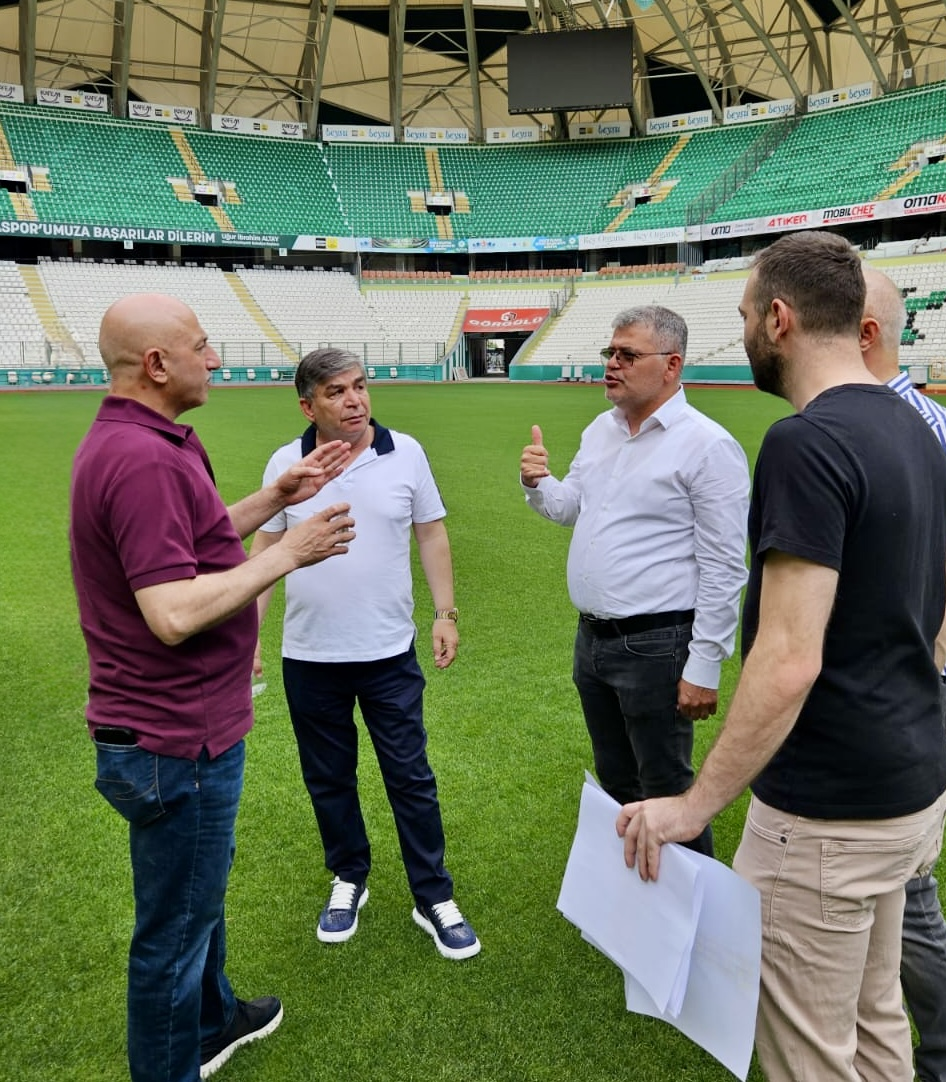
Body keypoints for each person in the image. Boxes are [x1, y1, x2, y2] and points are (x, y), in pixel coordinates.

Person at [617, 233, 946, 1082]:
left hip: (825, 818)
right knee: (876, 1025)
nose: (742, 333)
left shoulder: (805, 443)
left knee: (810, 1057)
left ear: (779, 318)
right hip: (909, 789)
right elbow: (945, 613)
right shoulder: (919, 429)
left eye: (745, 315)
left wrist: (693, 805)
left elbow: (788, 656)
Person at [69, 294, 356, 1082]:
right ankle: (177, 1057)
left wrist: (274, 500)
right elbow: (171, 611)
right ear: (157, 364)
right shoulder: (142, 458)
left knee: (198, 893)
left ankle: (212, 1018)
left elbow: (182, 546)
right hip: (174, 738)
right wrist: (287, 551)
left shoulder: (145, 440)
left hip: (175, 730)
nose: (216, 359)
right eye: (201, 346)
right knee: (174, 932)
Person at [249, 348, 479, 960]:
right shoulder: (287, 464)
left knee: (410, 776)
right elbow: (264, 555)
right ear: (308, 407)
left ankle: (433, 894)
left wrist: (445, 613)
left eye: (359, 386)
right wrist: (248, 636)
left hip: (388, 653)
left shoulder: (406, 453)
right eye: (336, 392)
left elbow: (430, 531)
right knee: (329, 779)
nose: (354, 400)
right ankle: (349, 876)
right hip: (309, 656)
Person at [520, 304, 749, 857]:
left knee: (667, 791)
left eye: (627, 355)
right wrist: (537, 482)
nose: (611, 364)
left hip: (657, 645)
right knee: (617, 781)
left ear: (671, 366)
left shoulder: (708, 446)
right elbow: (571, 507)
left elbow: (724, 567)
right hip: (592, 641)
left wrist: (704, 666)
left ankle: (692, 904)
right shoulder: (601, 430)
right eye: (610, 352)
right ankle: (635, 895)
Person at [861, 266, 946, 1082]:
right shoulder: (826, 422)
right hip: (846, 684)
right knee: (859, 875)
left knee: (906, 883)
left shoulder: (941, 432)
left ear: (864, 332)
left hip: (919, 680)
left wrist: (854, 601)